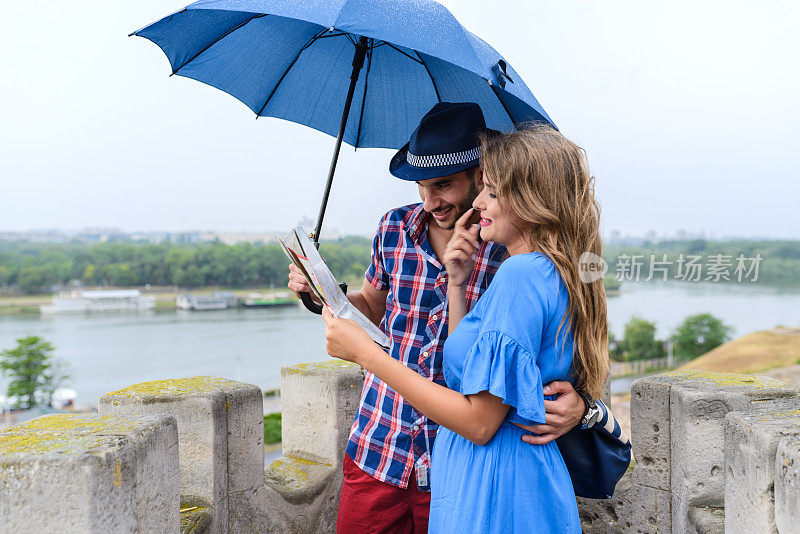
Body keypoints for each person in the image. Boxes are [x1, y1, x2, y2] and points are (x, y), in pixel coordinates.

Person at [288, 103, 589, 533]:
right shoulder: (393, 228)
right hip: (381, 442)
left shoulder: (512, 249)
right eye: (421, 187)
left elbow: (555, 347)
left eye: (443, 186)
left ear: (481, 175)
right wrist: (321, 293)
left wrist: (584, 406)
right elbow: (372, 309)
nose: (430, 202)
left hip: (457, 460)